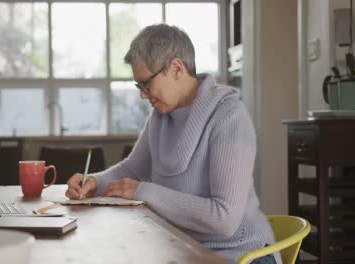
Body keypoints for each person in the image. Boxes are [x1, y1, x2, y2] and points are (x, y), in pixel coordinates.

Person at [65, 24, 280, 264]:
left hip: (240, 255)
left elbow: (224, 219)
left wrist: (143, 191)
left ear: (176, 68)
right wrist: (94, 182)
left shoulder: (228, 117)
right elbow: (133, 169)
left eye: (146, 83)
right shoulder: (160, 118)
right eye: (139, 86)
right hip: (183, 250)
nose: (143, 95)